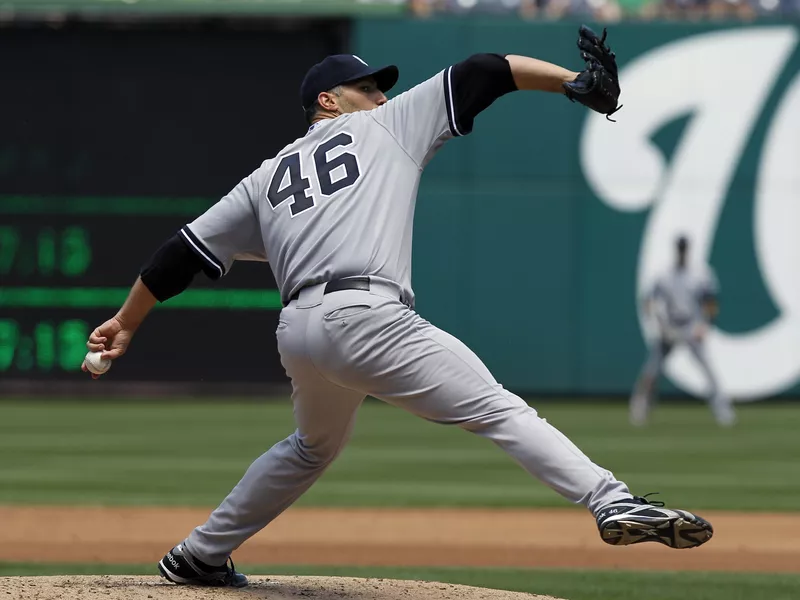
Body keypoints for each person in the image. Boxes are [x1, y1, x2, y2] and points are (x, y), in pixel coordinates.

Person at [83, 27, 713, 588]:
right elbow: (485, 70)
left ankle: (199, 555)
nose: (382, 96)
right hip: (366, 317)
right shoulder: (384, 125)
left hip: (298, 331)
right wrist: (575, 83)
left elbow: (178, 255)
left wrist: (125, 323)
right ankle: (612, 501)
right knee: (496, 407)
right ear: (328, 102)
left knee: (310, 447)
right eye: (366, 88)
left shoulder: (266, 177)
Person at [630, 235, 736, 427]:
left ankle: (722, 410)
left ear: (688, 250)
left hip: (691, 326)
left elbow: (711, 302)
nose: (681, 252)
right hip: (670, 327)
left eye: (684, 248)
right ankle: (641, 408)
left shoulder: (700, 273)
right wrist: (658, 325)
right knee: (652, 371)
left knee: (708, 371)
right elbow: (649, 301)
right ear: (676, 250)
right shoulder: (664, 274)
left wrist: (705, 325)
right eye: (680, 248)